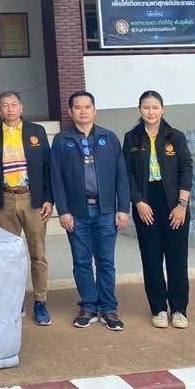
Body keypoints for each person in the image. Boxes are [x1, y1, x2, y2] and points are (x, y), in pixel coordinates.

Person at [50, 91, 130, 331]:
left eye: (87, 107)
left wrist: (122, 209)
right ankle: (88, 307)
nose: (83, 111)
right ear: (70, 111)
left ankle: (109, 308)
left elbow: (122, 176)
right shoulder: (62, 140)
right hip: (77, 213)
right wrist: (63, 211)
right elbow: (56, 178)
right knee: (81, 261)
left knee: (106, 261)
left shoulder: (109, 138)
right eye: (78, 107)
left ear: (95, 110)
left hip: (106, 211)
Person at [123, 90, 192, 329]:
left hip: (174, 203)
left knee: (177, 258)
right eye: (146, 107)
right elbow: (127, 174)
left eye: (155, 107)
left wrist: (182, 205)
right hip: (145, 203)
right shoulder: (131, 138)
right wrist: (138, 202)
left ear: (162, 109)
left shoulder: (176, 136)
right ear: (139, 110)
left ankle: (179, 309)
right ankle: (159, 309)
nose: (150, 112)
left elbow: (186, 170)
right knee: (151, 258)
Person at [0, 91, 54, 327]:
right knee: (9, 255)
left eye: (14, 104)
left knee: (38, 253)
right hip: (4, 200)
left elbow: (47, 167)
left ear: (21, 108)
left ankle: (40, 301)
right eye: (5, 105)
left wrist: (48, 199)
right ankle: (15, 300)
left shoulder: (36, 131)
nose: (10, 109)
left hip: (33, 199)